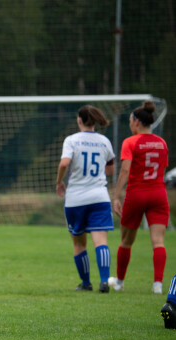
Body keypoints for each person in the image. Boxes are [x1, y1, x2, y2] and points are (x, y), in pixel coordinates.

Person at [109, 101, 169, 294]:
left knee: (126, 241)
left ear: (136, 122)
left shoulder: (130, 141)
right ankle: (157, 285)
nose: (129, 124)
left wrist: (116, 195)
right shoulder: (162, 143)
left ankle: (119, 282)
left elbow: (125, 169)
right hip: (159, 193)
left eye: (129, 120)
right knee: (158, 242)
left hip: (137, 193)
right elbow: (162, 169)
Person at [55, 105, 115, 293]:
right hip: (99, 196)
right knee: (101, 241)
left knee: (79, 243)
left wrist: (58, 182)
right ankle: (104, 281)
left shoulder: (72, 140)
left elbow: (65, 163)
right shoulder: (104, 141)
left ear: (79, 120)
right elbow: (111, 169)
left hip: (76, 198)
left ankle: (86, 283)